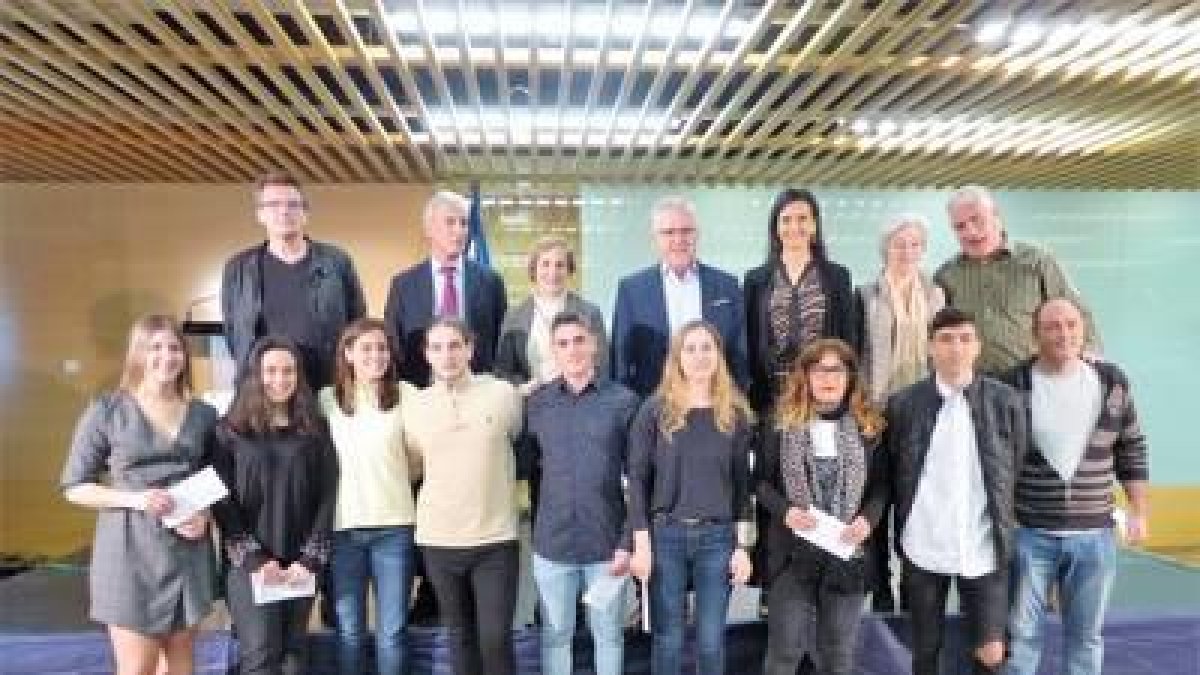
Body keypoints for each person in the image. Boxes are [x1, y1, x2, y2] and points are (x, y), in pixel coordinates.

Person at [60, 315, 219, 675]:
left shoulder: (204, 415)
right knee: (138, 668)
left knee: (181, 667)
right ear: (137, 354)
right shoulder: (107, 410)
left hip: (186, 553)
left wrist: (204, 517)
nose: (166, 356)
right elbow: (74, 487)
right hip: (129, 553)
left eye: (174, 347)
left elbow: (213, 481)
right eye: (155, 347)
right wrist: (136, 499)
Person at [1002, 297, 1150, 675]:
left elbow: (1132, 450)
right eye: (1052, 326)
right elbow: (997, 460)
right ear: (1035, 334)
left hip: (1095, 539)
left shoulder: (1113, 382)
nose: (1063, 333)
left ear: (1084, 328)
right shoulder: (1012, 385)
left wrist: (1140, 512)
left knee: (1085, 638)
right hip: (1030, 536)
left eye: (1071, 324)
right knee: (1021, 637)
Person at [882, 307, 1026, 675]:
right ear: (930, 348)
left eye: (965, 339)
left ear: (977, 346)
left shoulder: (1005, 401)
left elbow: (1017, 465)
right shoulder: (903, 405)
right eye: (946, 340)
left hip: (984, 545)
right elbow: (893, 473)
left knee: (993, 651)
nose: (956, 348)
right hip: (923, 545)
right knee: (926, 651)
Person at [627, 319, 756, 675]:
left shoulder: (736, 414)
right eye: (690, 348)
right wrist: (642, 544)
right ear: (677, 358)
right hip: (665, 537)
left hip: (718, 539)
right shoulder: (653, 412)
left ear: (718, 356)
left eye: (707, 348)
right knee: (667, 640)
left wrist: (744, 548)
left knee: (712, 642)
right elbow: (636, 480)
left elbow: (744, 486)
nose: (699, 356)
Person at [756, 339, 887, 675]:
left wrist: (867, 521)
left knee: (838, 656)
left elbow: (881, 487)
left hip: (846, 555)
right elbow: (759, 482)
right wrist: (786, 511)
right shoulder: (780, 422)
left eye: (837, 369)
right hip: (792, 554)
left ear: (850, 377)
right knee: (784, 652)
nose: (828, 378)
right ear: (806, 376)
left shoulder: (869, 425)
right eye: (819, 369)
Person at [401, 318, 523, 675]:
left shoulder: (502, 394)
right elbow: (413, 465)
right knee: (460, 638)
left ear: (470, 349)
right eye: (437, 348)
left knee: (495, 640)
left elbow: (514, 437)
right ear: (426, 355)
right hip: (439, 541)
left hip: (495, 539)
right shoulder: (416, 406)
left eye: (455, 345)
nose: (447, 355)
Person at [521, 311, 640, 675]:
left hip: (607, 545)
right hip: (552, 544)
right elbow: (523, 467)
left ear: (594, 346)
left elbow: (638, 478)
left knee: (608, 635)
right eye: (562, 343)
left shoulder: (624, 402)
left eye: (579, 341)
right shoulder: (537, 404)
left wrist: (627, 541)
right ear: (553, 352)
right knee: (556, 636)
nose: (572, 350)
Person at [211, 337, 338, 675]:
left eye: (288, 371)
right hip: (250, 562)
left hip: (301, 562)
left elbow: (328, 495)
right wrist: (254, 559)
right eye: (270, 371)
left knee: (294, 654)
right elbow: (222, 500)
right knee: (261, 654)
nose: (279, 379)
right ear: (255, 374)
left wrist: (310, 559)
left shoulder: (315, 429)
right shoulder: (229, 432)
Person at [318, 319, 419, 675]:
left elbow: (421, 455)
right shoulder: (326, 399)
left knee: (392, 633)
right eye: (366, 348)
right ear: (347, 353)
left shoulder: (407, 394)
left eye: (382, 348)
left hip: (395, 529)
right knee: (349, 632)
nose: (376, 355)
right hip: (345, 531)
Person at [221, 171, 367, 389]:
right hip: (262, 391)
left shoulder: (336, 262)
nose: (284, 211)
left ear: (305, 213)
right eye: (273, 204)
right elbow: (234, 334)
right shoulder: (238, 268)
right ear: (260, 214)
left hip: (326, 386)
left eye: (292, 204)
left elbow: (357, 324)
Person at [935, 185, 1097, 375]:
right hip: (973, 387)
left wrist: (1089, 355)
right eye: (960, 226)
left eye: (976, 220)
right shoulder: (945, 276)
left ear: (996, 216)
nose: (970, 231)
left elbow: (1075, 310)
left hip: (1030, 383)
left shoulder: (1037, 262)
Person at [611, 196, 748, 397]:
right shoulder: (631, 289)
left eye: (686, 231)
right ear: (655, 238)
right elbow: (621, 361)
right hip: (653, 405)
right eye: (668, 232)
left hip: (715, 404)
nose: (679, 240)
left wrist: (736, 403)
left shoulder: (727, 285)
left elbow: (739, 355)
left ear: (697, 234)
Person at [744, 189, 857, 415]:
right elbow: (751, 342)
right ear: (776, 227)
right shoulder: (756, 279)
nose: (794, 227)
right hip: (771, 398)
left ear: (815, 225)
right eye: (786, 220)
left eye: (802, 219)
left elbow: (847, 340)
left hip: (823, 395)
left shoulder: (838, 276)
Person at [385, 191, 508, 388]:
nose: (459, 231)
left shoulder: (491, 282)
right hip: (422, 393)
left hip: (478, 390)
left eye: (464, 223)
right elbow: (395, 345)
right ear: (429, 229)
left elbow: (499, 344)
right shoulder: (403, 285)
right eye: (450, 222)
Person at [495, 236, 608, 394]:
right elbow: (503, 371)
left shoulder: (590, 313)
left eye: (560, 265)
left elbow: (601, 367)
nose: (552, 272)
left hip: (581, 402)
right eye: (545, 264)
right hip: (530, 402)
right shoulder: (514, 315)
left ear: (569, 270)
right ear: (534, 270)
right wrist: (527, 386)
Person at [856, 213, 946, 405]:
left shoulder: (936, 294)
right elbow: (857, 353)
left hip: (925, 398)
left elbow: (941, 347)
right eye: (899, 244)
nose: (908, 252)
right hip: (878, 399)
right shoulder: (866, 295)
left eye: (915, 245)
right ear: (886, 249)